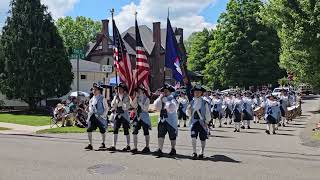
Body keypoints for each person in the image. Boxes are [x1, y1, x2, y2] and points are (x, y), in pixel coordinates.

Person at [186, 85, 211, 159]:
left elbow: (207, 113)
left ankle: (202, 152)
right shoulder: (191, 102)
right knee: (193, 137)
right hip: (194, 122)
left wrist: (207, 121)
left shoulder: (205, 102)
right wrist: (189, 110)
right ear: (193, 93)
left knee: (202, 138)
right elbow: (188, 113)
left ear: (201, 93)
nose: (197, 93)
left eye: (199, 92)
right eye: (195, 92)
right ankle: (194, 152)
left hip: (202, 123)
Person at [153, 84, 178, 157]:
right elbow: (156, 107)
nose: (164, 93)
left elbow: (172, 109)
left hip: (171, 120)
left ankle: (173, 149)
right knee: (160, 135)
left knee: (172, 136)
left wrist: (166, 101)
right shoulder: (160, 99)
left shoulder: (173, 99)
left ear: (170, 92)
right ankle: (160, 149)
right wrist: (160, 99)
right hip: (162, 119)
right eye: (163, 91)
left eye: (166, 91)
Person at [108, 83, 131, 151]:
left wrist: (121, 103)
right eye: (118, 88)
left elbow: (127, 107)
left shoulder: (127, 96)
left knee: (126, 130)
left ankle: (128, 145)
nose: (119, 90)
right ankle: (113, 145)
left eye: (120, 88)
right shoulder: (116, 96)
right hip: (117, 115)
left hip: (124, 115)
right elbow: (112, 105)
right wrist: (115, 100)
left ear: (123, 90)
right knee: (115, 129)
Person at [84, 84, 108, 150]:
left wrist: (103, 116)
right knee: (89, 129)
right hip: (93, 117)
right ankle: (90, 144)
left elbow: (106, 108)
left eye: (95, 89)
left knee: (102, 130)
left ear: (99, 91)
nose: (94, 91)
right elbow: (90, 108)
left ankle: (103, 143)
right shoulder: (91, 99)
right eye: (93, 89)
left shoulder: (102, 98)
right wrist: (88, 114)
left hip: (100, 117)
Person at [130, 86, 152, 154]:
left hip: (144, 117)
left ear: (143, 91)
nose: (138, 92)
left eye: (139, 90)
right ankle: (135, 147)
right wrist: (136, 98)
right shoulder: (137, 98)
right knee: (134, 131)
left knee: (146, 132)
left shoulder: (146, 99)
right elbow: (133, 105)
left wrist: (140, 103)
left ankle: (147, 147)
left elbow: (145, 109)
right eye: (137, 91)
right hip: (137, 116)